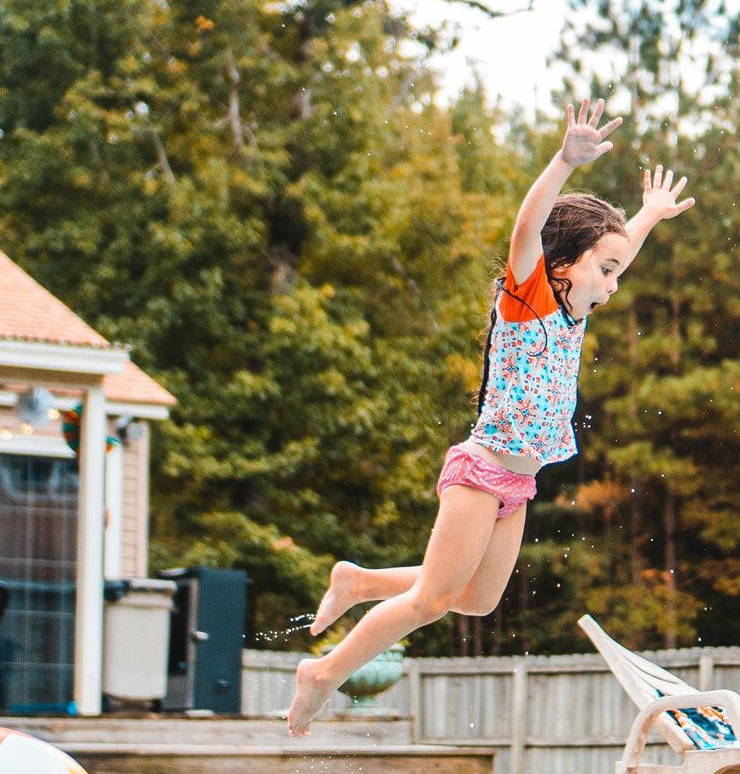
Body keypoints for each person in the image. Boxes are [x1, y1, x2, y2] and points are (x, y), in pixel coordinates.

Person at [286, 98, 695, 735]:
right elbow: (527, 227)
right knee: (430, 601)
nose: (614, 284)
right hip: (480, 473)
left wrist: (646, 216)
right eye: (606, 270)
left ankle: (360, 581)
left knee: (476, 600)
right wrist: (564, 160)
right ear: (563, 265)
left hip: (518, 484)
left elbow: (619, 251)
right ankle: (322, 674)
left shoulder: (573, 311)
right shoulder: (530, 297)